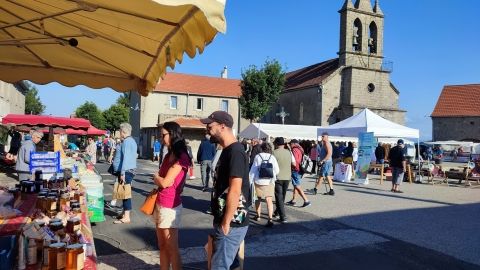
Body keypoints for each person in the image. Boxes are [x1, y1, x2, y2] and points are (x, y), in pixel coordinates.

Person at [201, 111, 250, 270]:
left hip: (232, 222)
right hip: (225, 219)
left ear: (223, 126)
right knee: (230, 265)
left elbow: (235, 190)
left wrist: (226, 222)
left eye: (210, 125)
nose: (207, 129)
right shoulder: (226, 150)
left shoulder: (235, 152)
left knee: (219, 266)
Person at [152, 121, 191, 270]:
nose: (161, 138)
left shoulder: (182, 157)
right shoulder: (169, 154)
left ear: (173, 134)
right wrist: (159, 179)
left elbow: (165, 182)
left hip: (170, 206)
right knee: (162, 245)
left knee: (171, 247)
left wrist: (157, 178)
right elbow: (163, 180)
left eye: (163, 135)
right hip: (160, 202)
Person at [249, 142, 279, 227]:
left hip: (258, 181)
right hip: (269, 182)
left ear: (261, 148)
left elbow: (253, 170)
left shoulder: (258, 156)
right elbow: (277, 170)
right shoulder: (272, 157)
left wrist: (250, 181)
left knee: (257, 199)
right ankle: (270, 218)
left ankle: (258, 216)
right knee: (269, 200)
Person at [113, 123, 137, 224]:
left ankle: (126, 217)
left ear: (124, 132)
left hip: (126, 170)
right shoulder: (132, 141)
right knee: (124, 193)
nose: (119, 133)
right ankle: (124, 214)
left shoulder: (127, 141)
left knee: (125, 193)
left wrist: (122, 172)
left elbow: (126, 158)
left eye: (120, 131)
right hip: (130, 170)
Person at [272, 137, 293, 223]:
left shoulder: (274, 153)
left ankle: (283, 216)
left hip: (278, 177)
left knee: (279, 197)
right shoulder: (289, 152)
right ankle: (278, 211)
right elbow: (293, 163)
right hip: (287, 177)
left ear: (276, 144)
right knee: (282, 196)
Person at [286, 139, 311, 207]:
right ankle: (294, 200)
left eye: (291, 144)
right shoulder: (300, 149)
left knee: (297, 185)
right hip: (300, 169)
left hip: (296, 169)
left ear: (294, 143)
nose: (290, 145)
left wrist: (292, 166)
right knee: (296, 185)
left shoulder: (294, 149)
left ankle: (306, 200)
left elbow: (295, 161)